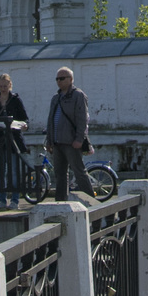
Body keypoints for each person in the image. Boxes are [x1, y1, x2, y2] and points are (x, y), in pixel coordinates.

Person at [0, 74, 29, 210]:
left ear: (10, 85)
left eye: (5, 86)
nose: (3, 89)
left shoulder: (16, 100)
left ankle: (15, 200)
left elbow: (25, 119)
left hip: (13, 139)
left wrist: (24, 125)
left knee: (14, 171)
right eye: (0, 86)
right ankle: (2, 201)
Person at [45, 68, 91, 202]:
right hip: (57, 142)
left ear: (71, 79)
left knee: (79, 172)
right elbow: (50, 120)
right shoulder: (56, 98)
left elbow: (82, 119)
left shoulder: (78, 95)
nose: (59, 81)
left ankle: (90, 202)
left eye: (62, 78)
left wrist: (79, 139)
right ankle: (61, 202)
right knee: (59, 174)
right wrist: (49, 140)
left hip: (71, 141)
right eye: (57, 79)